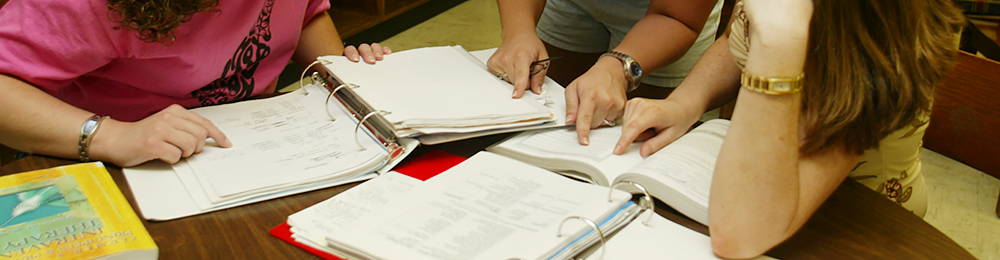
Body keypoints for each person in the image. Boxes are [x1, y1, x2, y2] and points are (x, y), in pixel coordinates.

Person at [612, 0, 965, 257]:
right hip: (768, 192)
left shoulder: (877, 37)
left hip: (854, 221)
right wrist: (684, 103)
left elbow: (738, 235)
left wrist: (779, 44)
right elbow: (740, 36)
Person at [0, 0, 391, 167]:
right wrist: (111, 137)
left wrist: (340, 73)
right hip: (109, 154)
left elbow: (305, 12)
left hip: (247, 141)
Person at [486, 0, 723, 145]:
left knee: (640, 131)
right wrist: (518, 29)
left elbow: (677, 15)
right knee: (552, 105)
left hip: (674, 10)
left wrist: (616, 69)